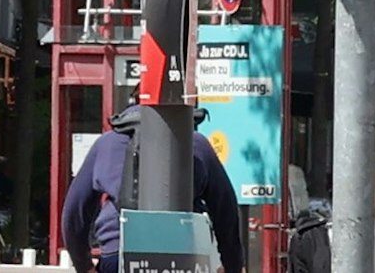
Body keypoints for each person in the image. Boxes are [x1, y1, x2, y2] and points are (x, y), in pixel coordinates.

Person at [60, 105, 245, 273]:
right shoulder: (197, 144)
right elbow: (226, 212)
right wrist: (232, 266)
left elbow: (74, 213)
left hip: (119, 252)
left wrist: (84, 266)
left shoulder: (106, 144)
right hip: (185, 256)